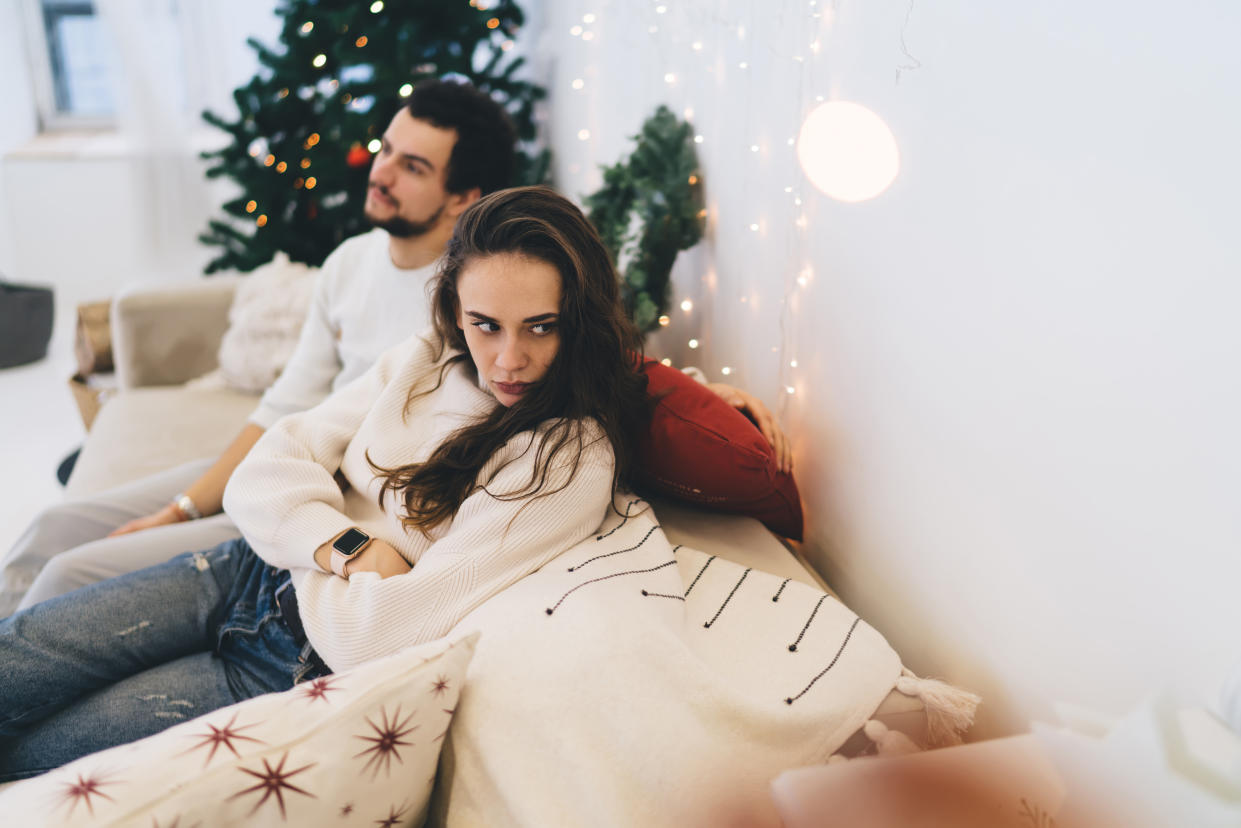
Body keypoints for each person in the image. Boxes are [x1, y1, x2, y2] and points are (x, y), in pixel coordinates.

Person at [0, 80, 788, 616]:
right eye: (386, 151)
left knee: (75, 573)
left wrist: (707, 403)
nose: (379, 174)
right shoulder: (349, 263)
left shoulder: (490, 305)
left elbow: (582, 349)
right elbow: (285, 408)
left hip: (330, 505)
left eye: (411, 167)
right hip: (286, 461)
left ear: (462, 196)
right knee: (53, 529)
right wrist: (183, 502)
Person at [0, 186, 652, 780]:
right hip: (239, 568)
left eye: (541, 326)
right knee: (14, 659)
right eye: (486, 324)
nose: (509, 360)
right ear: (456, 309)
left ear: (580, 320)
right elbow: (259, 475)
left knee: (35, 756)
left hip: (288, 662)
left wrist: (304, 527)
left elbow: (378, 634)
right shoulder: (425, 359)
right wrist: (352, 549)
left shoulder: (566, 457)